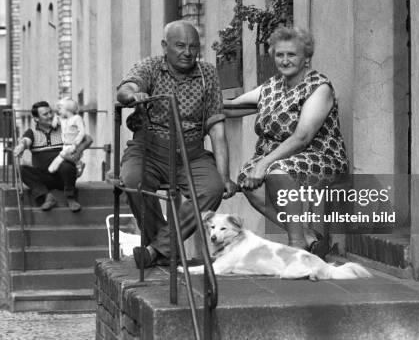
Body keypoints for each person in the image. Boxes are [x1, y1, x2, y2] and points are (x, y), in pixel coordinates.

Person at [117, 20, 237, 269]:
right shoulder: (150, 66)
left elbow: (216, 127)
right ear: (165, 46)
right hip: (148, 148)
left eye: (193, 46)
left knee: (212, 188)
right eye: (180, 45)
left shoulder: (207, 73)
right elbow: (127, 86)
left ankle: (155, 250)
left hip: (191, 152)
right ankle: (165, 249)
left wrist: (225, 176)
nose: (187, 52)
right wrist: (132, 94)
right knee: (132, 180)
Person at [225, 26, 349, 252]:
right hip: (281, 159)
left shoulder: (318, 87)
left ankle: (297, 246)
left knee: (277, 171)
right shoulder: (272, 86)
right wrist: (203, 107)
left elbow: (302, 137)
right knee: (247, 179)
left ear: (306, 57)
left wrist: (263, 163)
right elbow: (233, 107)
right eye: (279, 54)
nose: (284, 60)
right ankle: (308, 236)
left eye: (291, 54)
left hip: (320, 157)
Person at [12, 101, 93, 212]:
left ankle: (70, 198)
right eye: (45, 114)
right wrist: (21, 146)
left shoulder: (63, 128)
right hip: (43, 178)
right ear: (36, 119)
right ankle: (47, 197)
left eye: (51, 112)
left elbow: (88, 139)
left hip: (64, 177)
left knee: (66, 165)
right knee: (21, 169)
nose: (50, 116)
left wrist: (77, 152)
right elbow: (26, 141)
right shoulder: (32, 132)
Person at [48, 97, 86, 176]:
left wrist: (76, 144)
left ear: (67, 109)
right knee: (55, 167)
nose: (59, 111)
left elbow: (82, 132)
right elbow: (53, 125)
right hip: (65, 146)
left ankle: (78, 163)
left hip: (73, 146)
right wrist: (55, 116)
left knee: (54, 166)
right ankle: (78, 164)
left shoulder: (77, 118)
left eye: (60, 109)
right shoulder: (64, 120)